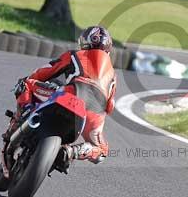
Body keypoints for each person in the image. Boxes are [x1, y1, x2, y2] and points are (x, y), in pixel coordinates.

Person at [6, 26, 116, 174]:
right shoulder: (113, 76)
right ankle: (73, 151)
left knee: (26, 83)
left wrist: (30, 80)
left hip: (71, 95)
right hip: (95, 113)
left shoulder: (75, 55)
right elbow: (110, 107)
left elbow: (42, 73)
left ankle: (21, 118)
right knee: (102, 150)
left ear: (84, 43)